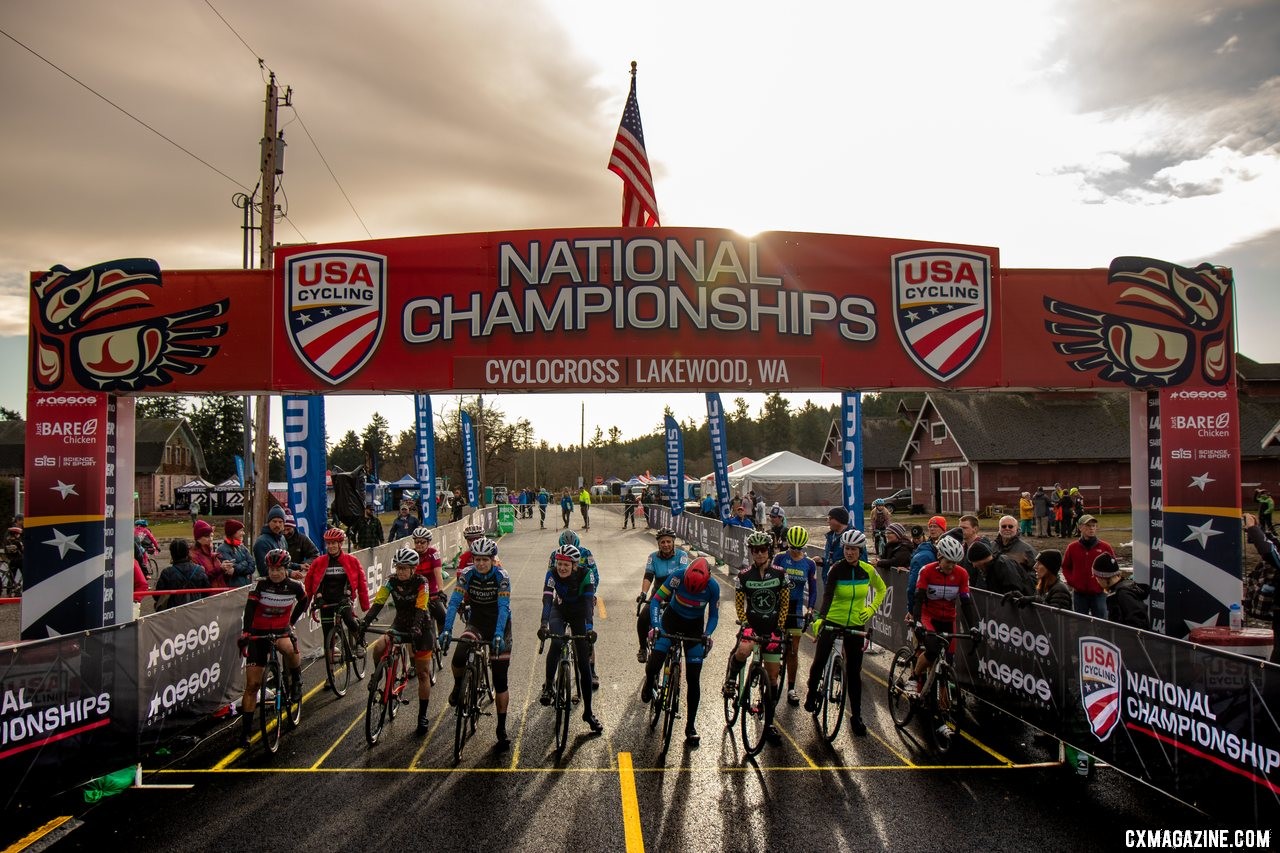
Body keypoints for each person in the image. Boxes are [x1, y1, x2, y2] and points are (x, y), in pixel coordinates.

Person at [804, 529, 886, 736]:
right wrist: (821, 620)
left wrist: (870, 610)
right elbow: (828, 595)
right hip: (832, 619)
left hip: (855, 624)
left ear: (860, 550)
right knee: (819, 661)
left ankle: (856, 716)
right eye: (847, 549)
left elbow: (882, 589)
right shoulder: (836, 569)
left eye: (854, 549)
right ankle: (812, 692)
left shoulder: (867, 570)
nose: (849, 553)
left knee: (854, 672)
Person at [440, 537, 514, 750]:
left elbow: (503, 607)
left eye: (485, 560)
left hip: (500, 624)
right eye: (477, 559)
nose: (481, 563)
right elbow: (453, 602)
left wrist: (499, 634)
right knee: (460, 654)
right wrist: (446, 629)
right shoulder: (467, 574)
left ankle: (501, 728)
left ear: (492, 560)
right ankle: (457, 686)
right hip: (477, 622)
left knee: (500, 679)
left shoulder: (502, 577)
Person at [641, 556, 720, 747]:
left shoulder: (713, 587)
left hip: (694, 628)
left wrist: (707, 633)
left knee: (693, 679)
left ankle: (690, 726)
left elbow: (714, 615)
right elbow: (656, 601)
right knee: (655, 663)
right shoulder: (677, 577)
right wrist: (657, 625)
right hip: (671, 620)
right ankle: (650, 681)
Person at [725, 531, 791, 744]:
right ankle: (731, 679)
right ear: (751, 553)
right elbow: (739, 603)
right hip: (752, 626)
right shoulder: (744, 575)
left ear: (769, 551)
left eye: (763, 550)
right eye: (756, 551)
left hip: (772, 628)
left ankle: (770, 723)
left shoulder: (780, 574)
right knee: (743, 651)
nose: (760, 554)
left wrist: (780, 627)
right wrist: (744, 622)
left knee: (772, 677)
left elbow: (784, 602)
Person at [361, 547, 435, 733]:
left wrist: (417, 628)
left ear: (413, 569)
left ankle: (422, 716)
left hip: (421, 626)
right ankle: (378, 675)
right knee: (379, 647)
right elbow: (379, 602)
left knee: (423, 674)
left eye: (404, 568)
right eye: (398, 567)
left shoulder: (422, 582)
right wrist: (366, 621)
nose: (400, 571)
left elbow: (421, 607)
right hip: (400, 623)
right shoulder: (391, 581)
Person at [237, 548, 307, 746]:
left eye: (278, 569)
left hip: (281, 629)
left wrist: (292, 622)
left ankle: (296, 680)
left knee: (291, 649)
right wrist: (246, 632)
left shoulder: (294, 586)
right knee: (252, 686)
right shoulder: (260, 585)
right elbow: (249, 609)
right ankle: (245, 732)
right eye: (271, 569)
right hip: (259, 632)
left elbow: (304, 601)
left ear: (286, 569)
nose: (274, 573)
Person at [903, 535, 982, 696]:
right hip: (928, 616)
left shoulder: (962, 574)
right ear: (940, 557)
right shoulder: (927, 571)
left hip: (948, 618)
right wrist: (917, 622)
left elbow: (966, 603)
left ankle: (942, 707)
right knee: (932, 650)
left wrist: (974, 626)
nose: (951, 566)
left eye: (955, 562)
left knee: (949, 660)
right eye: (948, 562)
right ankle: (914, 677)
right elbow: (918, 599)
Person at [538, 544, 603, 734]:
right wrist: (543, 624)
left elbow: (589, 605)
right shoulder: (551, 574)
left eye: (566, 564)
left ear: (574, 565)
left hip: (580, 613)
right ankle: (549, 686)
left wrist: (589, 629)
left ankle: (588, 713)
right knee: (556, 642)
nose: (561, 568)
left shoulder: (586, 575)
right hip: (560, 610)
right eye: (559, 563)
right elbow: (548, 600)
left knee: (583, 664)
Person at [304, 527, 371, 665]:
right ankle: (330, 676)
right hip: (325, 600)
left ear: (340, 544)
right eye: (329, 543)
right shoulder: (319, 562)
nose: (331, 546)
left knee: (349, 619)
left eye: (334, 543)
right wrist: (309, 602)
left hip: (343, 598)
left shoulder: (351, 560)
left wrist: (365, 604)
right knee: (327, 634)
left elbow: (362, 582)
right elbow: (310, 583)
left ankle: (360, 642)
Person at [774, 526, 817, 706]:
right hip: (779, 605)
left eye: (799, 549)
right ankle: (770, 680)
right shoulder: (780, 558)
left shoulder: (809, 564)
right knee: (773, 646)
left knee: (793, 650)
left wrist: (811, 609)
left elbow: (814, 590)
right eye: (793, 548)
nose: (795, 552)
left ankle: (791, 688)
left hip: (796, 607)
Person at [635, 528, 690, 663]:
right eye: (662, 542)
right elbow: (648, 576)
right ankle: (642, 648)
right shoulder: (652, 557)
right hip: (658, 595)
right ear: (658, 544)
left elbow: (683, 575)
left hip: (676, 595)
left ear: (673, 542)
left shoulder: (682, 555)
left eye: (668, 542)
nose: (666, 545)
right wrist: (643, 593)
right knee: (643, 618)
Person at [1061, 515, 1113, 618]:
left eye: (1093, 525)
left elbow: (1113, 568)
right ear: (1080, 527)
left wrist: (1105, 584)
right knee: (1080, 625)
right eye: (1088, 526)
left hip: (1099, 593)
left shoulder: (1105, 547)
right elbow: (1066, 567)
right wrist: (1073, 582)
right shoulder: (1072, 547)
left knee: (1101, 624)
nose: (1091, 528)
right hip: (1079, 594)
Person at [905, 515, 947, 620]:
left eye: (936, 526)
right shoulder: (925, 550)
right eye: (930, 526)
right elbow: (913, 585)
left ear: (943, 529)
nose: (932, 529)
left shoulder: (949, 546)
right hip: (928, 600)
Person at [1092, 553, 1149, 629]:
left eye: (1097, 578)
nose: (1097, 581)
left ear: (1104, 577)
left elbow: (1139, 623)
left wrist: (1124, 638)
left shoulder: (1123, 594)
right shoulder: (1124, 588)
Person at [1002, 549, 1072, 610]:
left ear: (1049, 567)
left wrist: (1035, 600)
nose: (1035, 566)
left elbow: (1055, 617)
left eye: (1040, 563)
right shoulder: (1042, 585)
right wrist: (1019, 597)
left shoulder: (1060, 590)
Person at [409, 527, 448, 637]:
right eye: (417, 542)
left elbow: (438, 573)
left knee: (443, 615)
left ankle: (442, 636)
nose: (419, 544)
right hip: (417, 594)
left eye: (422, 542)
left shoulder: (433, 553)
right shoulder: (411, 554)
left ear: (428, 542)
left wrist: (441, 590)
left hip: (432, 593)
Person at [155, 539, 209, 611]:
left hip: (174, 612)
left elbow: (157, 595)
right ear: (187, 552)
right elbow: (207, 591)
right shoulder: (199, 570)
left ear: (172, 554)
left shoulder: (167, 573)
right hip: (196, 609)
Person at [254, 505, 302, 580]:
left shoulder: (282, 538)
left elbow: (284, 561)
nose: (277, 525)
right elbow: (264, 570)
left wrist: (299, 566)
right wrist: (289, 573)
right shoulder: (262, 542)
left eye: (280, 522)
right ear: (269, 522)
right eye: (274, 521)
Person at [215, 519, 255, 587]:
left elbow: (252, 566)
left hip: (245, 587)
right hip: (232, 590)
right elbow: (230, 568)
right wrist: (245, 563)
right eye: (241, 530)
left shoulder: (242, 547)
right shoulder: (222, 549)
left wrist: (236, 570)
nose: (243, 533)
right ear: (233, 532)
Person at [191, 519, 224, 590]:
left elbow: (220, 579)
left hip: (219, 595)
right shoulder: (193, 556)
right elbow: (201, 579)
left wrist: (227, 573)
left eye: (211, 536)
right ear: (198, 538)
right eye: (207, 536)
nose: (210, 539)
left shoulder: (213, 555)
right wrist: (220, 569)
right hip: (206, 597)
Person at [819, 507, 850, 581]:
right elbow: (831, 559)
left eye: (829, 518)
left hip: (843, 583)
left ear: (838, 520)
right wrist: (822, 561)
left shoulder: (852, 538)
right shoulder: (830, 536)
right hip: (829, 582)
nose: (827, 521)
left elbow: (859, 562)